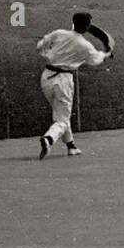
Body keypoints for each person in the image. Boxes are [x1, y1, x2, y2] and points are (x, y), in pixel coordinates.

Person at [36, 12, 113, 158]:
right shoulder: (85, 45)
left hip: (46, 77)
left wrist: (49, 54)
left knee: (61, 113)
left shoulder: (58, 33)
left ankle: (71, 146)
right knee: (62, 118)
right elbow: (96, 60)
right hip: (63, 80)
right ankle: (49, 138)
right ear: (88, 26)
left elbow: (40, 46)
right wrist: (106, 54)